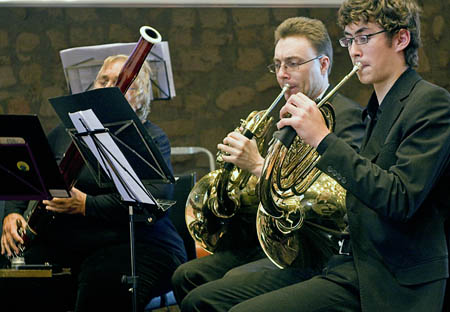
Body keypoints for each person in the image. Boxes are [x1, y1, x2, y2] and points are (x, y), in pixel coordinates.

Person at [223, 0, 450, 311]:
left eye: (364, 37)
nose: (354, 51)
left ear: (401, 39)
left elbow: (399, 198)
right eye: (349, 39)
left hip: (394, 280)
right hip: (353, 265)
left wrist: (322, 139)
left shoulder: (431, 103)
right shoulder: (379, 110)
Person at [172, 17, 366, 312]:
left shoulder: (348, 117)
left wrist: (258, 165)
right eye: (277, 65)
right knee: (188, 276)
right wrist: (232, 186)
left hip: (313, 251)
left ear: (324, 65)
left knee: (205, 298)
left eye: (292, 63)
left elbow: (335, 200)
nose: (282, 74)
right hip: (270, 241)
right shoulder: (283, 122)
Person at [0, 54, 187, 312]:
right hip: (69, 241)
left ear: (142, 98)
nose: (111, 87)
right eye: (103, 80)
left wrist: (87, 205)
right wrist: (11, 215)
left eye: (125, 83)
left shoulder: (153, 138)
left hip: (137, 244)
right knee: (14, 281)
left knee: (100, 288)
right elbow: (30, 173)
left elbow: (156, 195)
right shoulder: (65, 132)